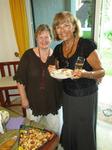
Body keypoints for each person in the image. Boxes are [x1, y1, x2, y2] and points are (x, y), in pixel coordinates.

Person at [50, 11, 105, 150]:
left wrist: (86, 74)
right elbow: (60, 76)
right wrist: (53, 72)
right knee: (70, 123)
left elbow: (101, 71)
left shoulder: (86, 45)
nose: (62, 30)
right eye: (58, 27)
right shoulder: (57, 49)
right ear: (55, 30)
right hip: (68, 95)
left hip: (86, 95)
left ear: (74, 27)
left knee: (84, 126)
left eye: (66, 25)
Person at [14, 24, 62, 135]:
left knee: (54, 131)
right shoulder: (28, 55)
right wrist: (23, 98)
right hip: (33, 100)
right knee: (31, 131)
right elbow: (20, 79)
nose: (44, 40)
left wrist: (56, 72)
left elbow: (61, 80)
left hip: (52, 100)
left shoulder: (57, 56)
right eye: (41, 37)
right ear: (36, 38)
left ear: (51, 38)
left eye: (47, 37)